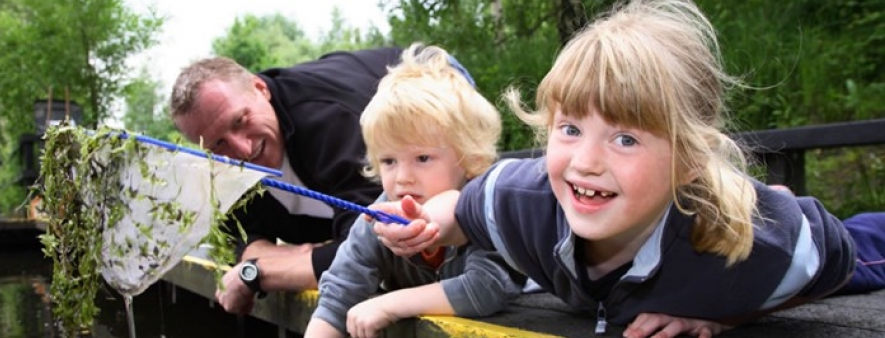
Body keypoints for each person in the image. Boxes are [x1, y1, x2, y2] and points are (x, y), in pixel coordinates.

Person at [370, 1, 863, 337]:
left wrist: (728, 314)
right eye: (570, 129)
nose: (585, 162)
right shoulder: (521, 198)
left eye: (625, 138)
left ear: (690, 160)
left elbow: (838, 258)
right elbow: (463, 209)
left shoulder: (762, 246)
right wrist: (428, 223)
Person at [304, 44, 523, 338]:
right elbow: (339, 293)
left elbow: (489, 287)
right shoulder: (379, 218)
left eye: (422, 158)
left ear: (469, 157)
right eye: (389, 161)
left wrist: (391, 305)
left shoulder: (486, 208)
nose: (403, 178)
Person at [169, 47, 404, 314]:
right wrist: (279, 258)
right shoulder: (225, 166)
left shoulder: (330, 121)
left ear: (261, 89)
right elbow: (237, 236)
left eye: (240, 121)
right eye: (218, 144)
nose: (243, 150)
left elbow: (377, 245)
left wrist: (260, 272)